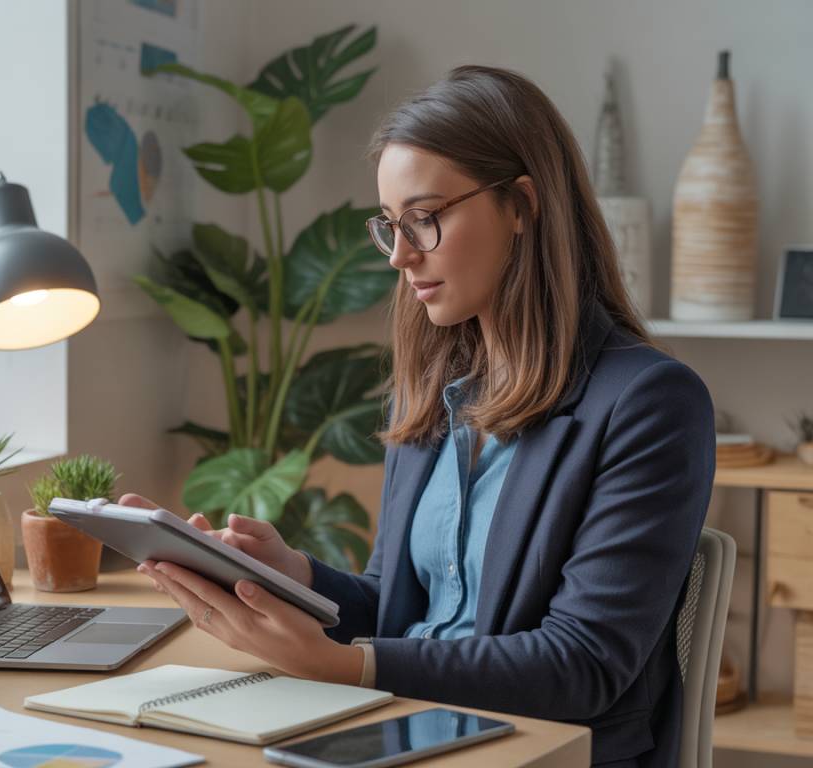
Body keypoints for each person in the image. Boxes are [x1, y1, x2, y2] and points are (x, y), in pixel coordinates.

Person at [127, 65, 715, 767]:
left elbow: (581, 665)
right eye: (391, 226)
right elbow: (402, 610)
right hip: (407, 729)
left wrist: (348, 668)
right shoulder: (434, 393)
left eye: (426, 219)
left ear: (522, 206)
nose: (401, 255)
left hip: (536, 751)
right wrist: (295, 577)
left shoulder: (648, 403)